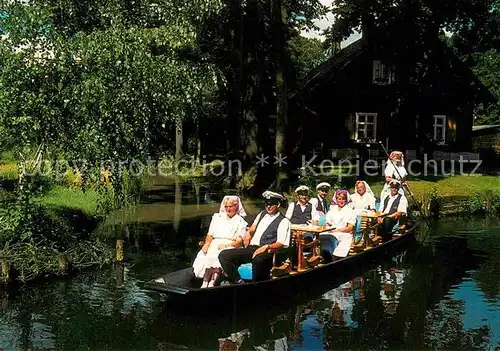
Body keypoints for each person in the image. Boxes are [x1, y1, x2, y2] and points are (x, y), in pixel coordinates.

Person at [219, 191, 291, 284]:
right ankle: (239, 282)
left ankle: (256, 286)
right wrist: (248, 233)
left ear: (278, 204)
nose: (268, 206)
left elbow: (281, 243)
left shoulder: (284, 221)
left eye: (271, 204)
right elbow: (253, 227)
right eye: (266, 204)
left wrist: (266, 247)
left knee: (258, 261)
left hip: (268, 252)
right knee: (224, 255)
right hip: (252, 249)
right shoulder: (262, 214)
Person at [192, 196, 248, 288]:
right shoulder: (217, 217)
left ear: (236, 206)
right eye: (226, 207)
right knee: (209, 251)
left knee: (220, 254)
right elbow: (210, 235)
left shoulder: (240, 221)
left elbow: (239, 241)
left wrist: (227, 245)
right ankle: (205, 281)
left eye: (230, 206)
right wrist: (207, 244)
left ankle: (212, 283)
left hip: (230, 244)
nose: (228, 209)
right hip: (215, 242)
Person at [319, 190, 356, 262]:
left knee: (337, 238)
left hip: (344, 233)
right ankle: (323, 255)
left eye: (343, 199)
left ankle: (335, 257)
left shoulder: (350, 210)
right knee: (321, 235)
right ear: (336, 200)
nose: (341, 201)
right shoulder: (332, 210)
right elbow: (328, 222)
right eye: (339, 199)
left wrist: (338, 230)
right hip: (332, 230)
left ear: (346, 200)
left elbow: (350, 227)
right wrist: (328, 228)